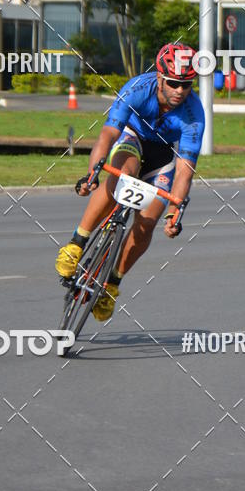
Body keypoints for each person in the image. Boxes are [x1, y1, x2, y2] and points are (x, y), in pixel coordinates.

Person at [55, 43, 205, 321]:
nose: (180, 91)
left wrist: (174, 213)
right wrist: (92, 174)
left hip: (163, 156)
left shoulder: (194, 116)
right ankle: (77, 243)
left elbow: (184, 171)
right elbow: (107, 135)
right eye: (173, 83)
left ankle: (112, 284)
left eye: (187, 85)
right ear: (159, 77)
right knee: (122, 173)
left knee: (148, 219)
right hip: (132, 138)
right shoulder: (137, 89)